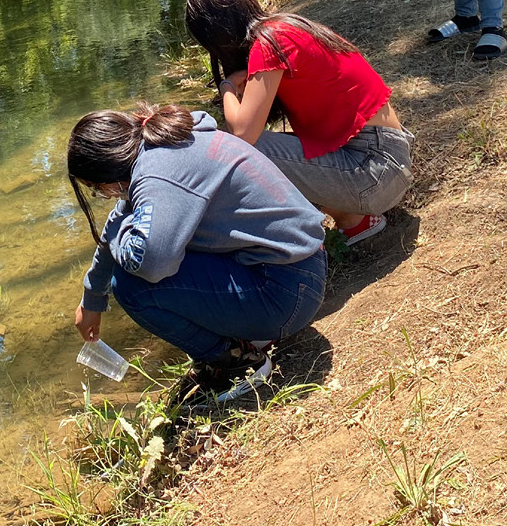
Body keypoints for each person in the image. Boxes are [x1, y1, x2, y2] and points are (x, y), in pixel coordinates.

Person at [69, 103, 328, 402]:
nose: (104, 196)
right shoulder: (163, 141)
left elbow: (150, 264)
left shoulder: (157, 176)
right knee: (153, 240)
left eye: (98, 189)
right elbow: (120, 216)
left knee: (132, 286)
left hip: (287, 294)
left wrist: (117, 238)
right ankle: (244, 335)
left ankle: (239, 364)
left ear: (109, 174)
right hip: (301, 268)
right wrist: (92, 298)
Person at [184, 0, 414, 247]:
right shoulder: (283, 28)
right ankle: (349, 218)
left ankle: (343, 222)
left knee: (234, 147)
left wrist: (227, 87)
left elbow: (243, 134)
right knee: (257, 144)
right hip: (386, 160)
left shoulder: (268, 45)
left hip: (376, 172)